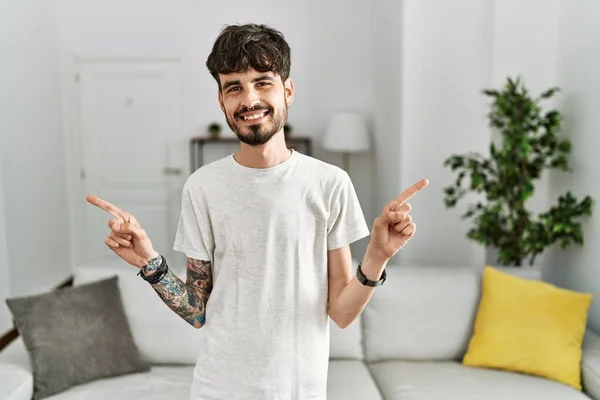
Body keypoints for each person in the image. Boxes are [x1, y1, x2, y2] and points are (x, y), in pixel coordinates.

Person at [86, 23, 428, 400]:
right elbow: (197, 311)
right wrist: (149, 261)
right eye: (234, 87)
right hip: (218, 389)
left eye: (262, 82)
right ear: (222, 101)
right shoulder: (203, 187)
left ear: (288, 90)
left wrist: (378, 255)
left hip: (300, 390)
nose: (249, 99)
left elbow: (342, 314)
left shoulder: (329, 183)